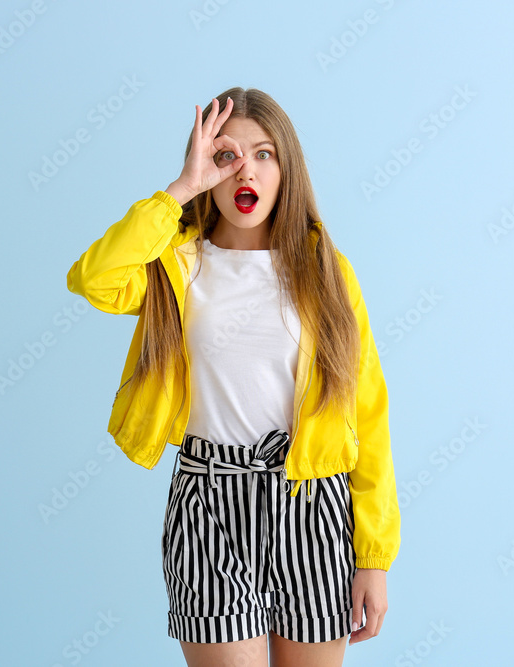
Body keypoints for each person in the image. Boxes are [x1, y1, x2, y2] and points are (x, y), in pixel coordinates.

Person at [66, 87, 400, 667]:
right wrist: (178, 190)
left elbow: (367, 411)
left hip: (313, 505)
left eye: (264, 154)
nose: (246, 168)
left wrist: (373, 555)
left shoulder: (326, 272)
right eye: (226, 156)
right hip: (208, 502)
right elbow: (93, 278)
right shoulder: (177, 266)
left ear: (286, 169)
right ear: (207, 170)